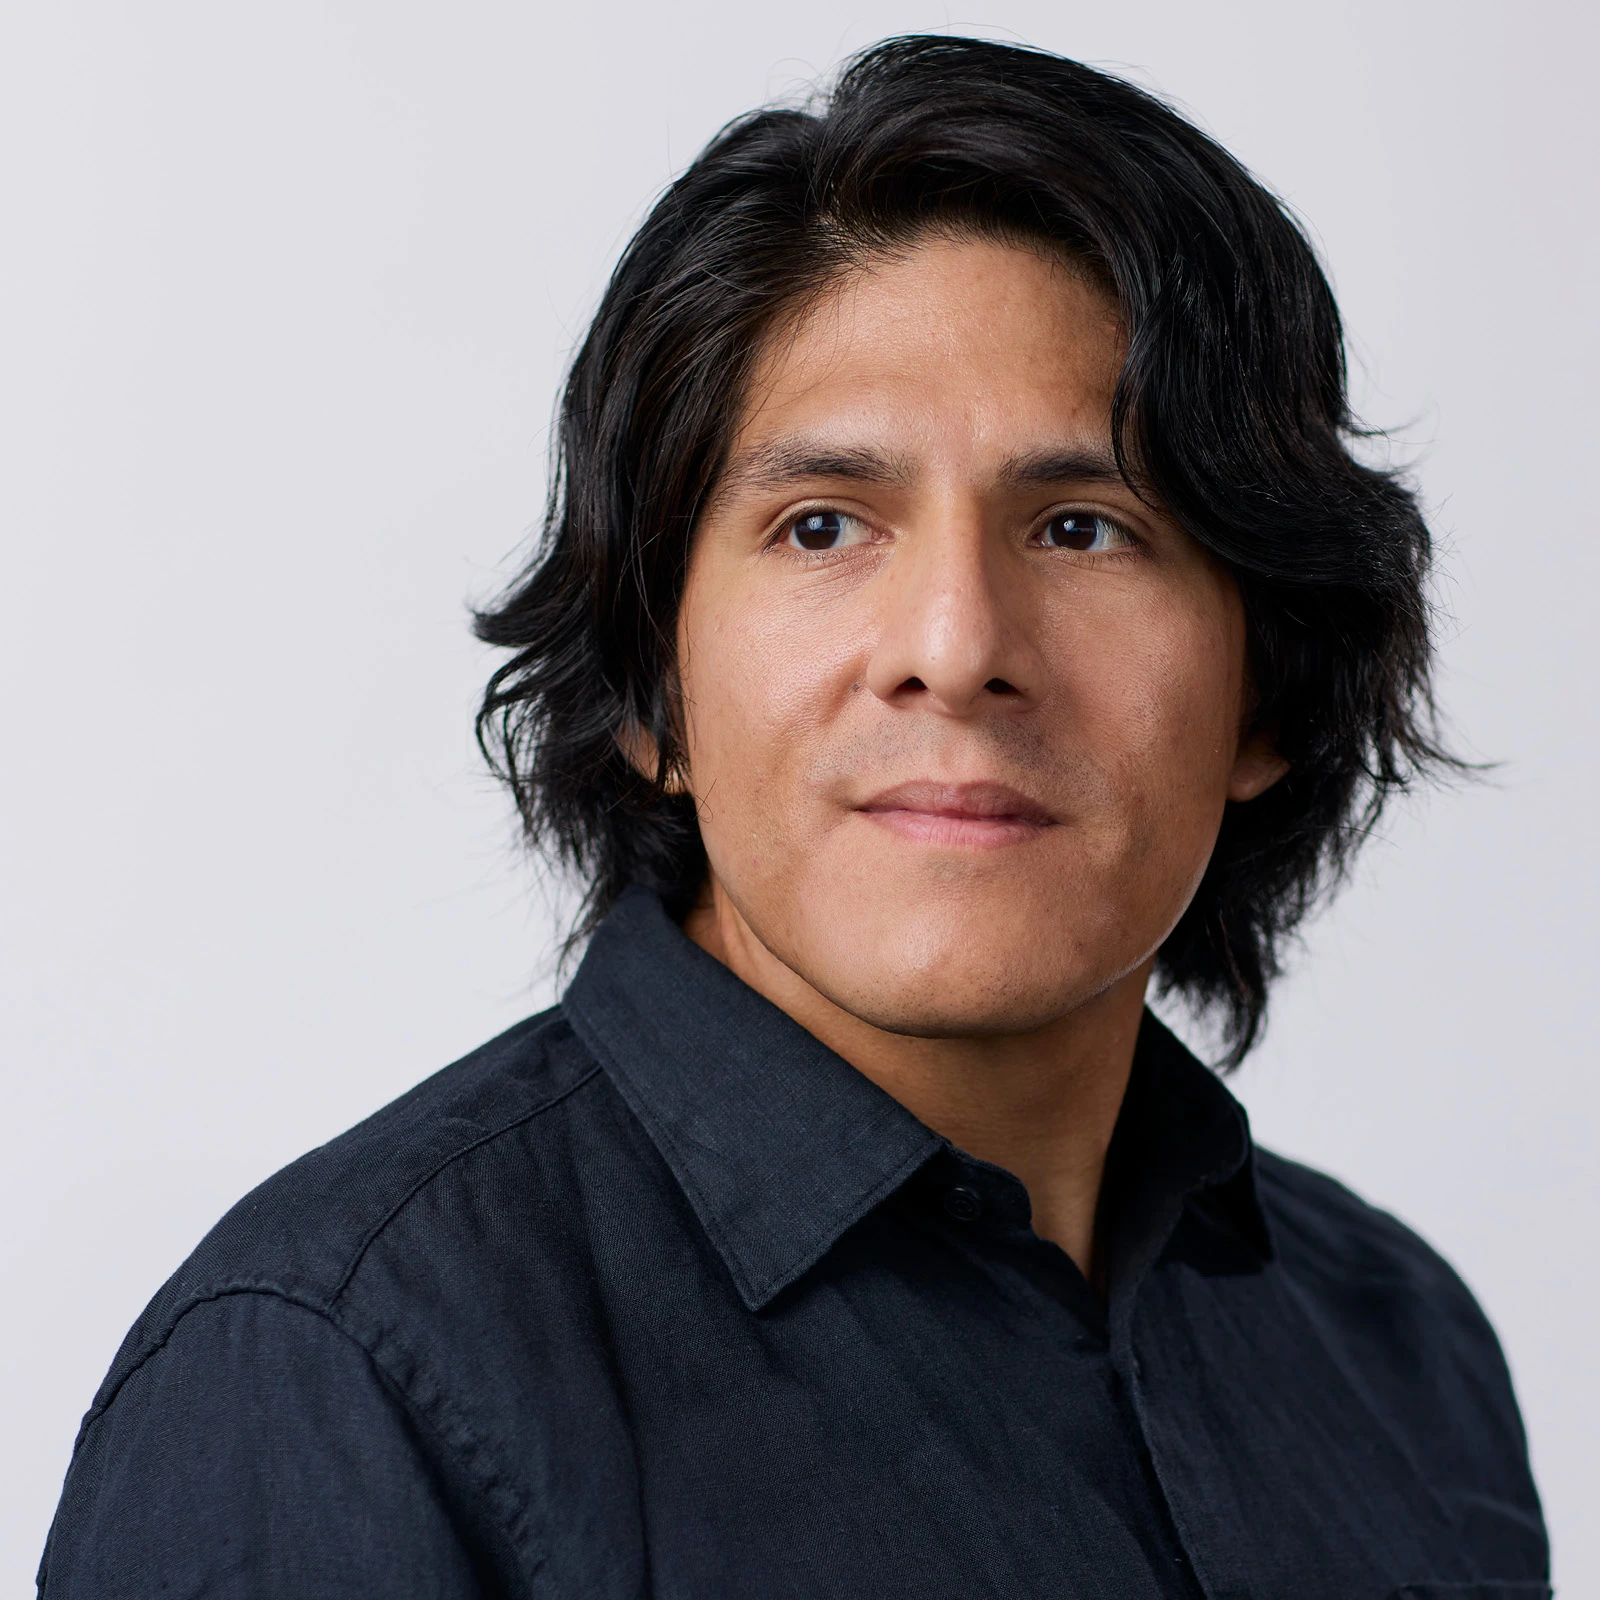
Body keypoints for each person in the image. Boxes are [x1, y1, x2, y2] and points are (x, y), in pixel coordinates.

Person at [39, 34, 1548, 1600]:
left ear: (1272, 690)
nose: (954, 647)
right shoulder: (338, 1374)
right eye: (822, 526)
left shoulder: (1400, 1357)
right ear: (653, 690)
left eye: (1084, 528)